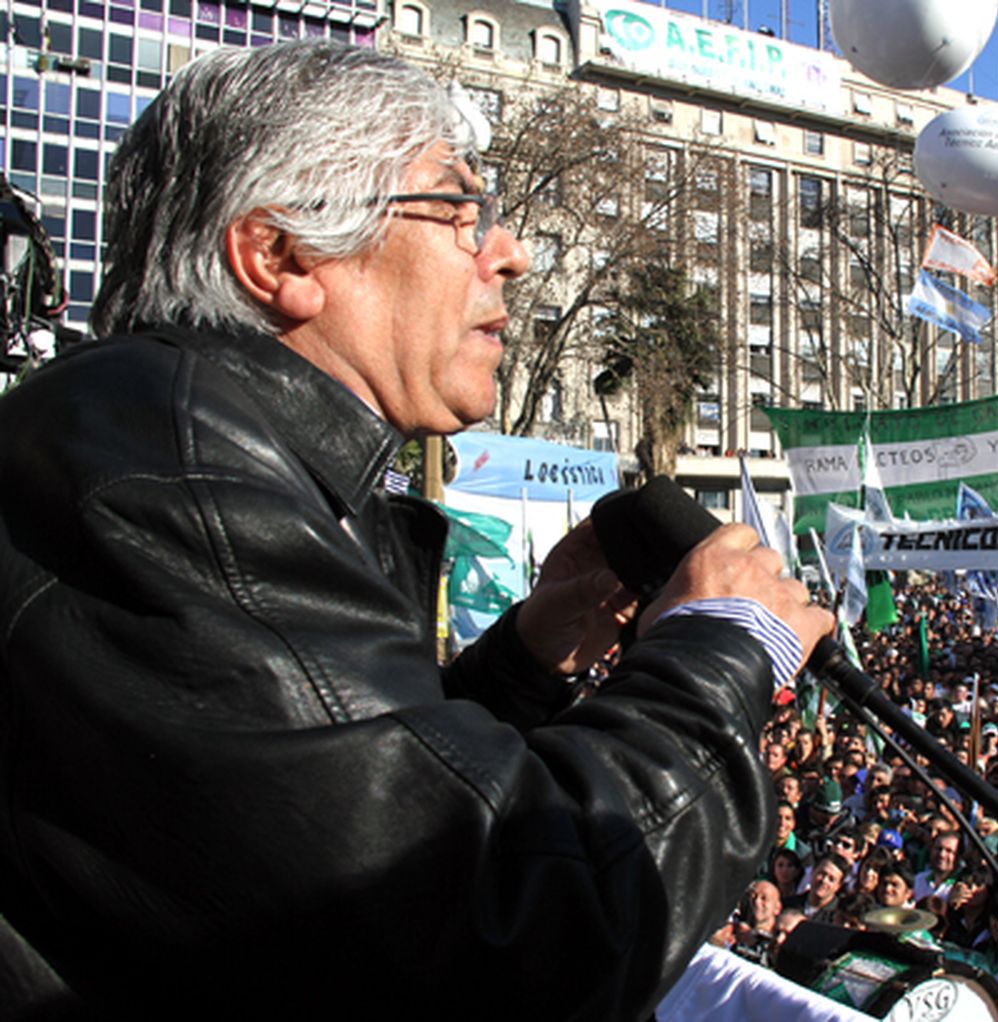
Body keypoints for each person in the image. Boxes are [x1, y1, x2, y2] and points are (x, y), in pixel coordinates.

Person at [0, 42, 833, 1018]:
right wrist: (725, 646)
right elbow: (509, 934)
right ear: (282, 255)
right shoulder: (172, 470)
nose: (509, 252)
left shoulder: (172, 435)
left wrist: (522, 663)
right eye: (457, 209)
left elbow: (320, 809)